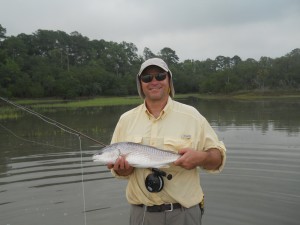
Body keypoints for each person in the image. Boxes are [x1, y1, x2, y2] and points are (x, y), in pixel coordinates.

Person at [107, 58, 226, 225]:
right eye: (147, 78)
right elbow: (121, 173)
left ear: (169, 79)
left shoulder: (192, 116)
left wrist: (202, 158)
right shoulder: (125, 120)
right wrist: (123, 170)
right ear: (140, 83)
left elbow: (217, 159)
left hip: (184, 214)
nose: (154, 81)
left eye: (160, 76)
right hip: (141, 214)